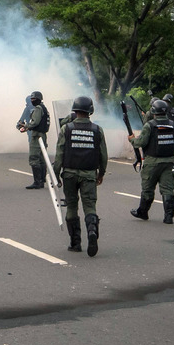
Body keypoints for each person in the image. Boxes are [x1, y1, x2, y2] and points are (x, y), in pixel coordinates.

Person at [53, 96, 108, 256]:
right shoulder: (97, 130)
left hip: (69, 174)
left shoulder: (67, 129)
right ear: (90, 111)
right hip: (89, 174)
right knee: (90, 206)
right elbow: (103, 155)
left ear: (74, 110)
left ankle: (75, 243)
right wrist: (101, 173)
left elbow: (59, 155)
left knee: (71, 206)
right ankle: (92, 232)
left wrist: (55, 175)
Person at [129, 100, 174, 224]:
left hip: (152, 162)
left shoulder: (149, 125)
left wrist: (132, 140)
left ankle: (143, 212)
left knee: (148, 188)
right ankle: (168, 217)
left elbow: (141, 143)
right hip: (170, 161)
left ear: (153, 111)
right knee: (167, 189)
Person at [19, 90, 51, 189]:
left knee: (34, 157)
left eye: (33, 99)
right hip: (43, 135)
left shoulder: (38, 108)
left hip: (37, 136)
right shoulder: (44, 108)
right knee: (42, 158)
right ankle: (41, 180)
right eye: (31, 99)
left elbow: (34, 122)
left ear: (38, 99)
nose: (32, 101)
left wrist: (26, 127)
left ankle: (37, 182)